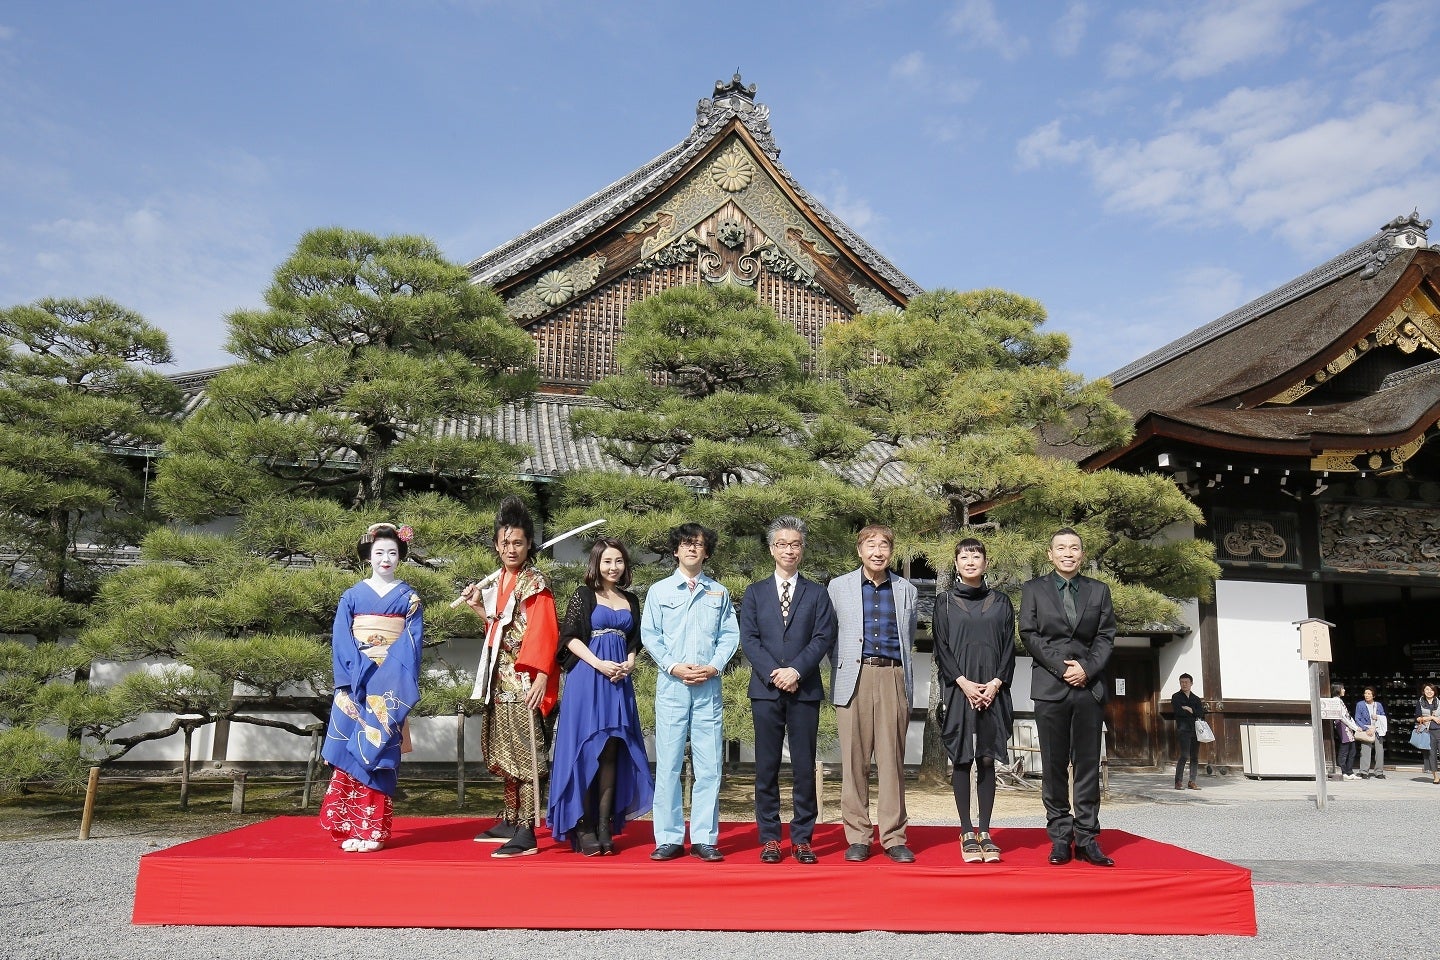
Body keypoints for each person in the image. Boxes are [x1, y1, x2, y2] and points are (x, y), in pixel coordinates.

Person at [463, 496, 560, 858]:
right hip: (498, 680)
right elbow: (498, 630)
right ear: (496, 544)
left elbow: (544, 633)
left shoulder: (535, 583)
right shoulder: (503, 580)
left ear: (529, 544)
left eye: (518, 542)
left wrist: (540, 677)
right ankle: (509, 815)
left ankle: (527, 828)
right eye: (505, 542)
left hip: (524, 682)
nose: (510, 548)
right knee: (504, 751)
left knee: (527, 753)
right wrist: (478, 606)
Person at [318, 523, 424, 853]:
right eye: (379, 553)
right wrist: (351, 680)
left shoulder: (409, 598)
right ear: (368, 557)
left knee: (378, 755)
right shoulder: (351, 596)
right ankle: (350, 828)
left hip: (387, 690)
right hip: (356, 683)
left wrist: (384, 678)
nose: (386, 558)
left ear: (400, 556)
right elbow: (341, 641)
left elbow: (411, 645)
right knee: (351, 754)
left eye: (392, 552)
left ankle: (374, 832)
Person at [739, 516, 837, 865]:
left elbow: (823, 636)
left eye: (795, 543)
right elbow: (748, 638)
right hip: (765, 690)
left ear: (802, 548)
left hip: (804, 688)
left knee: (803, 766)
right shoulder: (754, 592)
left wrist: (795, 670)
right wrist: (774, 672)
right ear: (771, 549)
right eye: (782, 543)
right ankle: (769, 837)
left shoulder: (817, 593)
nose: (789, 549)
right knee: (765, 766)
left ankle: (802, 838)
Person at [548, 538, 654, 855]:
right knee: (584, 751)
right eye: (607, 561)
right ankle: (581, 826)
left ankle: (605, 824)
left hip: (619, 681)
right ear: (596, 563)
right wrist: (598, 663)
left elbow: (634, 642)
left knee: (611, 751)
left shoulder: (632, 600)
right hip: (587, 677)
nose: (613, 567)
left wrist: (629, 663)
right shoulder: (583, 596)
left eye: (619, 561)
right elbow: (568, 638)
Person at [641, 522, 740, 863]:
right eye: (686, 544)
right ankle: (667, 837)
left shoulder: (719, 592)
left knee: (709, 765)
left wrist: (714, 666)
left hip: (707, 686)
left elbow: (729, 635)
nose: (692, 549)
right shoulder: (659, 591)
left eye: (698, 544)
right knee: (668, 764)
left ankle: (704, 837)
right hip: (672, 686)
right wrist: (672, 666)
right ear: (676, 550)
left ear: (706, 551)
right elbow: (650, 635)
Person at [1020, 527, 1116, 867]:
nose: (1067, 553)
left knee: (1088, 764)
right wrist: (1063, 668)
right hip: (1050, 686)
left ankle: (1088, 837)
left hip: (1089, 688)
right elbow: (1029, 633)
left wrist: (1086, 669)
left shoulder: (1098, 590)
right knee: (1055, 765)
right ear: (1050, 554)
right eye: (1060, 547)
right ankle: (1061, 836)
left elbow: (1106, 635)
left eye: (1074, 548)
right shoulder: (1033, 589)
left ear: (1082, 554)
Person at [827, 524, 919, 864]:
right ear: (859, 550)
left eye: (884, 545)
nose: (877, 551)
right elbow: (829, 636)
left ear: (891, 552)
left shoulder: (907, 590)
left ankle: (894, 836)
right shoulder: (838, 587)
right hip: (854, 676)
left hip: (893, 675)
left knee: (892, 760)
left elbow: (909, 637)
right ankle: (858, 836)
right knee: (854, 760)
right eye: (871, 545)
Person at [932, 538, 1015, 864]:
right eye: (964, 556)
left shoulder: (1002, 602)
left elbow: (1009, 647)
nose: (970, 561)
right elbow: (941, 647)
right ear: (956, 563)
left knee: (985, 760)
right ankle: (966, 829)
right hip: (959, 688)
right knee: (963, 759)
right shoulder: (945, 602)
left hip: (994, 689)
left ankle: (985, 830)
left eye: (976, 556)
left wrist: (994, 685)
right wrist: (964, 683)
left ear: (985, 562)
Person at [1171, 673, 1207, 790]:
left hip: (1195, 730)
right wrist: (1192, 712)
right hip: (1183, 729)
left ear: (1191, 683)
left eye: (1186, 682)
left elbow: (1201, 714)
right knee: (1184, 755)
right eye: (1182, 682)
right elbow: (1178, 712)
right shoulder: (1176, 697)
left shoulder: (1196, 698)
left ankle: (1192, 781)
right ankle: (1178, 781)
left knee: (1195, 757)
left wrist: (1190, 710)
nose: (1184, 684)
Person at [1354, 686, 1387, 779]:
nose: (1366, 695)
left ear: (1373, 695)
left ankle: (1379, 772)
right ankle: (1364, 771)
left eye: (1369, 693)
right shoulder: (1360, 704)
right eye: (1365, 693)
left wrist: (1378, 718)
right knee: (1365, 750)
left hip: (1377, 729)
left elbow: (1383, 716)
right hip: (1366, 730)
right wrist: (1365, 728)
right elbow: (1357, 718)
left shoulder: (1378, 705)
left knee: (1380, 751)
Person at [1332, 683, 1358, 781]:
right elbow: (1343, 717)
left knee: (1352, 750)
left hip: (1348, 726)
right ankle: (1343, 771)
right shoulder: (1335, 701)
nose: (1344, 690)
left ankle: (1349, 771)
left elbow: (1347, 716)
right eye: (1342, 688)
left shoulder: (1340, 700)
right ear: (1338, 689)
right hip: (1343, 726)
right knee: (1345, 750)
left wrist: (1354, 726)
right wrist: (1354, 727)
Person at [1417, 683, 1440, 785]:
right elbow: (1417, 718)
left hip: (1439, 730)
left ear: (1434, 691)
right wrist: (1431, 718)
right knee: (1432, 754)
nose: (1429, 691)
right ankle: (1436, 776)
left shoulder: (1439, 702)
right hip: (1428, 732)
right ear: (1423, 691)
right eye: (1427, 689)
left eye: (1431, 690)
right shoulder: (1420, 702)